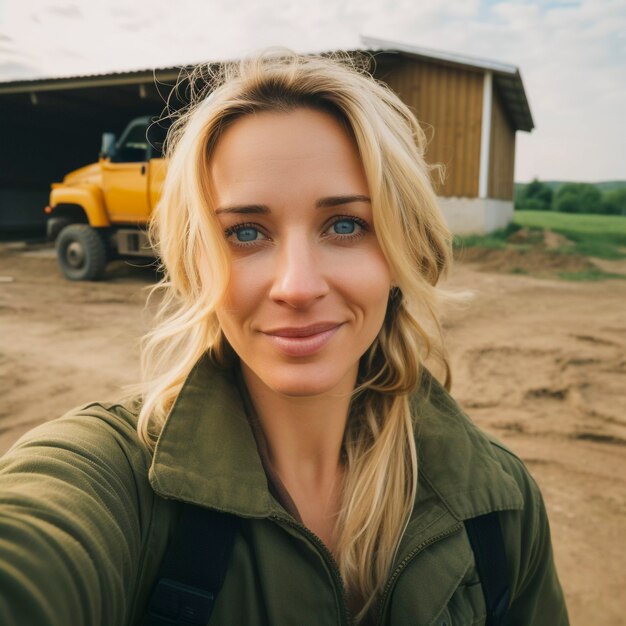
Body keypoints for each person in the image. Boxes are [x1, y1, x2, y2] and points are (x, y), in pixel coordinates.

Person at [0, 50, 568, 626]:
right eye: (246, 232)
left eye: (345, 225)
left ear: (402, 253)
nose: (296, 287)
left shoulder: (501, 506)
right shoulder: (111, 477)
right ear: (196, 264)